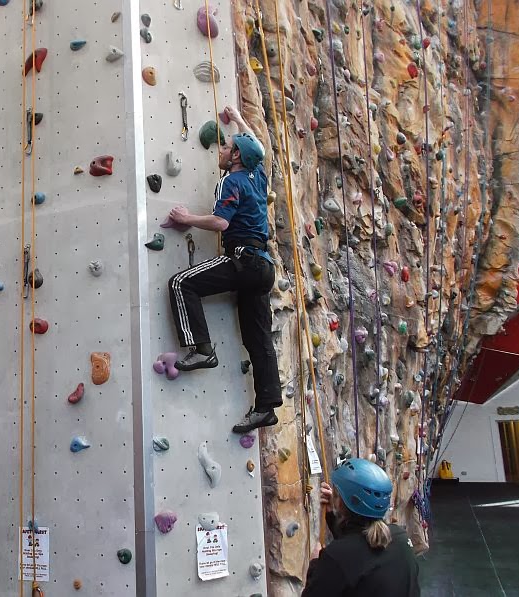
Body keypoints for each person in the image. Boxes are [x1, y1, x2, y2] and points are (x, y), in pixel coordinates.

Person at [166, 105, 282, 434]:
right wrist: (241, 121)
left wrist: (185, 219)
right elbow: (261, 148)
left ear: (236, 158)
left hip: (243, 261)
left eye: (227, 147)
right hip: (263, 269)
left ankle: (202, 349)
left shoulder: (230, 182)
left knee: (180, 284)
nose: (222, 149)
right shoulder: (258, 176)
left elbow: (220, 222)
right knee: (258, 340)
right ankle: (266, 407)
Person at [302, 459, 420, 597]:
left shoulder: (335, 557)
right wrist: (330, 514)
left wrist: (314, 564)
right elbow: (358, 551)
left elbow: (353, 554)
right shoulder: (400, 538)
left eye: (337, 494)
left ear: (340, 502)